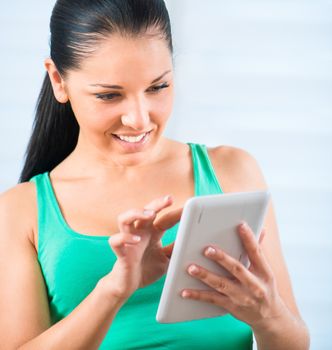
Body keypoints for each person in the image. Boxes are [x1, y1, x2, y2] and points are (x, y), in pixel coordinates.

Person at [0, 0, 310, 349]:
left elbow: (294, 342)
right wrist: (116, 288)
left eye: (157, 87)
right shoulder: (22, 209)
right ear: (59, 80)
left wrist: (266, 315)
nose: (139, 118)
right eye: (108, 95)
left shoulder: (233, 172)